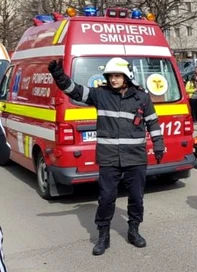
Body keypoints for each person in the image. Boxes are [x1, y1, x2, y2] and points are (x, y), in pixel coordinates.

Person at [48, 58, 164, 255]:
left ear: (127, 77)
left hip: (135, 158)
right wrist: (58, 75)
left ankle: (134, 231)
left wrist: (159, 145)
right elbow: (74, 90)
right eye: (111, 76)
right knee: (106, 198)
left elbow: (152, 122)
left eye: (117, 76)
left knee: (136, 197)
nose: (113, 80)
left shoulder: (142, 98)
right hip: (109, 158)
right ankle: (103, 236)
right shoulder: (99, 94)